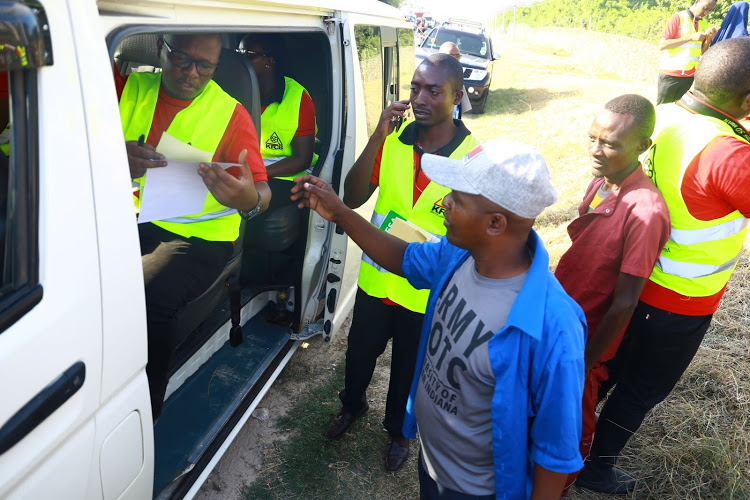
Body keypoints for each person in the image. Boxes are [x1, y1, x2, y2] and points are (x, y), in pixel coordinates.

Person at [291, 139, 586, 500]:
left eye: (457, 199)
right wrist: (340, 212)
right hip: (432, 464)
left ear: (495, 223)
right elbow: (403, 256)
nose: (444, 202)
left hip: (476, 491)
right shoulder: (458, 256)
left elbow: (555, 455)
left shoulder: (553, 328)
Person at [579, 37, 750, 494]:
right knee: (639, 391)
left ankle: (571, 443)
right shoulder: (730, 154)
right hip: (679, 303)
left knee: (604, 372)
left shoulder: (666, 113)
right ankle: (594, 469)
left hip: (628, 283)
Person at [327, 53, 481, 473]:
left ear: (456, 97)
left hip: (426, 291)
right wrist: (377, 136)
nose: (420, 98)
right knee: (359, 357)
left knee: (409, 371)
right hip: (378, 281)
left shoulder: (473, 157)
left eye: (434, 90)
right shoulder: (394, 140)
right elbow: (354, 196)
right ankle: (352, 405)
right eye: (415, 88)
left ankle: (399, 431)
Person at [117, 33, 271, 420]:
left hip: (196, 237)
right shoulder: (128, 87)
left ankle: (143, 411)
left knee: (151, 296)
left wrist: (246, 199)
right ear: (160, 50)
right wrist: (115, 158)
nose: (191, 74)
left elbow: (262, 191)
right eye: (182, 60)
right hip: (124, 218)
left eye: (205, 66)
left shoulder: (231, 113)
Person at [553, 95, 670, 495]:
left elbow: (624, 303)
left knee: (570, 429)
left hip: (584, 344)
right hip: (559, 323)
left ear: (642, 146)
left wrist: (584, 364)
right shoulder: (602, 180)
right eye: (592, 138)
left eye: (610, 144)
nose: (595, 151)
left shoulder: (646, 211)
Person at [237, 34, 317, 180]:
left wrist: (257, 175)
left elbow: (302, 158)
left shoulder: (297, 97)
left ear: (268, 61)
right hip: (244, 170)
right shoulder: (233, 89)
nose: (241, 60)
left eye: (248, 54)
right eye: (239, 53)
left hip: (283, 176)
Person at [657, 0, 718, 105]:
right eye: (705, 8)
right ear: (697, 1)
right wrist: (690, 38)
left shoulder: (703, 23)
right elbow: (662, 45)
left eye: (710, 10)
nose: (706, 13)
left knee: (679, 111)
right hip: (671, 75)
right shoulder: (677, 17)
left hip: (688, 77)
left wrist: (708, 39)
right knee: (663, 110)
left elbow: (701, 53)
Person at [438, 42, 472, 118]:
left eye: (458, 56)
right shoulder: (430, 79)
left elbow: (458, 112)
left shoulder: (457, 80)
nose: (455, 59)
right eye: (451, 56)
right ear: (440, 57)